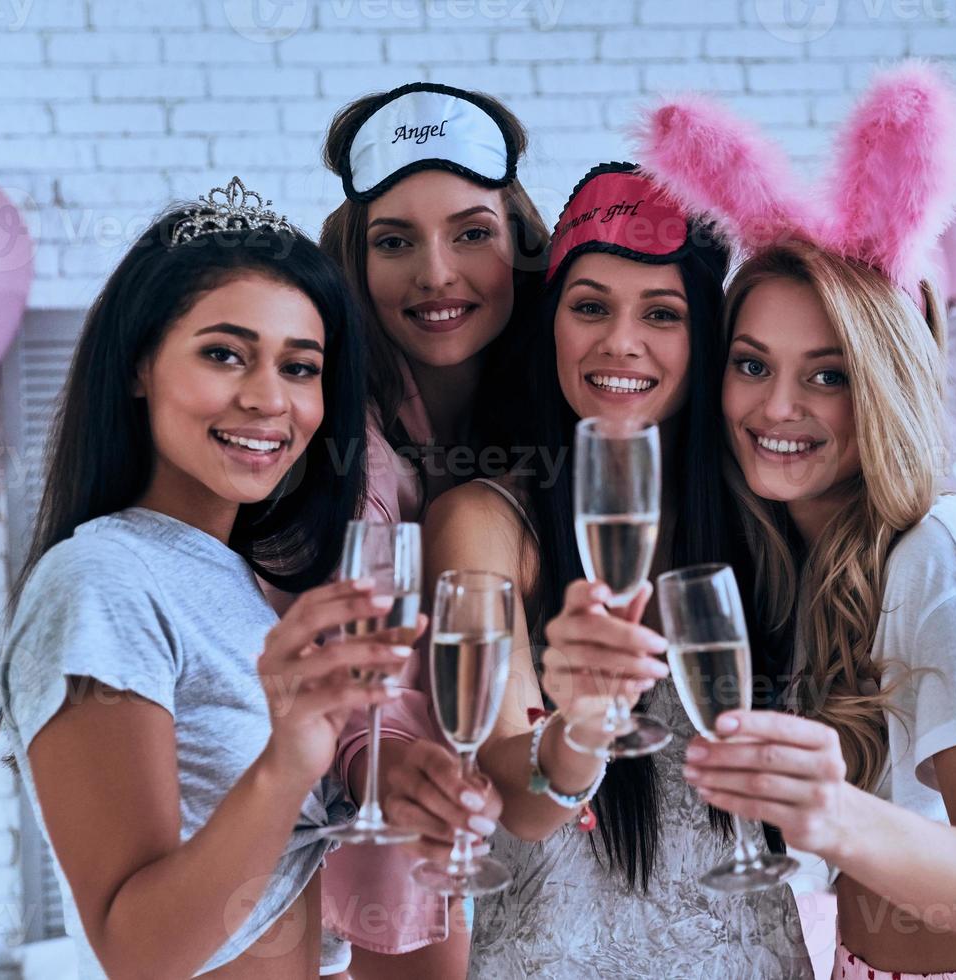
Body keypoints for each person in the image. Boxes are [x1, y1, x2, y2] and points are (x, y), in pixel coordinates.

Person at [637, 64, 956, 979]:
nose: (777, 407)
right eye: (751, 364)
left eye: (827, 374)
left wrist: (834, 815)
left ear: (882, 387)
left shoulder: (941, 554)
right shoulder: (805, 555)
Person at [400, 162, 814, 979]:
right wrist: (580, 725)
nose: (620, 342)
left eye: (662, 313)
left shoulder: (760, 518)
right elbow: (515, 794)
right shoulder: (484, 523)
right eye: (589, 307)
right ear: (550, 326)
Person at [0, 179, 410, 978]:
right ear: (140, 364)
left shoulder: (239, 584)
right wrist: (288, 762)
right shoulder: (101, 578)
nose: (267, 399)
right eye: (225, 354)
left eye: (301, 367)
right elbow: (138, 952)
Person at [314, 81, 548, 978]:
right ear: (356, 261)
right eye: (395, 241)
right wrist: (386, 769)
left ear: (520, 244)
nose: (437, 274)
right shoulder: (350, 457)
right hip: (436, 846)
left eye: (471, 233)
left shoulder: (571, 402)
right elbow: (363, 702)